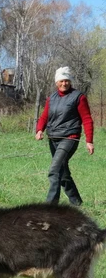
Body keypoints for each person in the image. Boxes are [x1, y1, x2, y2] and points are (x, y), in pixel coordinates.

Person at [35, 66, 94, 206]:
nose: (64, 84)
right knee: (63, 172)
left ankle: (50, 207)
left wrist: (89, 141)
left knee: (54, 170)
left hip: (70, 137)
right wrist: (39, 130)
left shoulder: (78, 97)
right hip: (53, 138)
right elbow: (44, 116)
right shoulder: (52, 98)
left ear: (70, 81)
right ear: (56, 82)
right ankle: (77, 203)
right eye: (61, 81)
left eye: (66, 81)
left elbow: (87, 119)